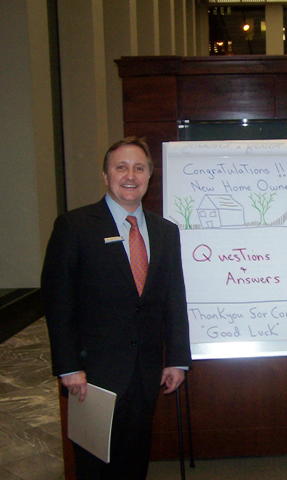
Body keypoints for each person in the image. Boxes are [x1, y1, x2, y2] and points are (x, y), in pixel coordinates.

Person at [41, 137, 192, 480]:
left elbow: (174, 298)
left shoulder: (166, 232)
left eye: (139, 168)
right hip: (92, 377)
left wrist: (177, 359)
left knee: (134, 465)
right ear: (106, 175)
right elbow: (58, 302)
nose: (130, 175)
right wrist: (68, 366)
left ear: (149, 176)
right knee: (94, 467)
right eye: (121, 167)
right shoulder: (74, 227)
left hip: (145, 374)